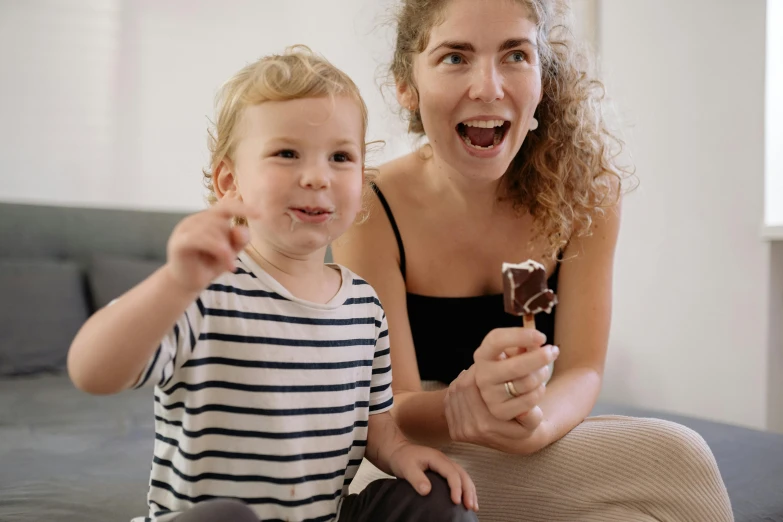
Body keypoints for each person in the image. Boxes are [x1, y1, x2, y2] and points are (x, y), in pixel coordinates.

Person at [331, 1, 734, 520]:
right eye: (455, 58)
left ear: (542, 79)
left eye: (515, 55)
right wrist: (463, 404)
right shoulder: (369, 204)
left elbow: (583, 369)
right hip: (408, 461)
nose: (489, 87)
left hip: (530, 442)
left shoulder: (587, 193)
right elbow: (393, 409)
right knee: (680, 457)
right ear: (407, 85)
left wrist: (538, 422)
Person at [67, 47, 479, 522]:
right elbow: (90, 371)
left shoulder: (365, 307)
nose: (317, 177)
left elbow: (375, 426)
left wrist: (402, 453)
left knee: (434, 505)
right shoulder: (205, 290)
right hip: (212, 518)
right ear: (230, 182)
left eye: (341, 157)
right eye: (287, 153)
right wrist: (174, 282)